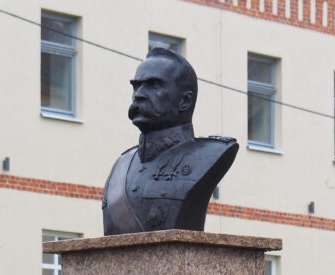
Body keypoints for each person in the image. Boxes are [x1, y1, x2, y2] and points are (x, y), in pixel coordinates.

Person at [102, 47, 237, 234]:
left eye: (153, 85)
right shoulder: (121, 165)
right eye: (136, 86)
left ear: (185, 101)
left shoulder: (212, 154)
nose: (139, 94)